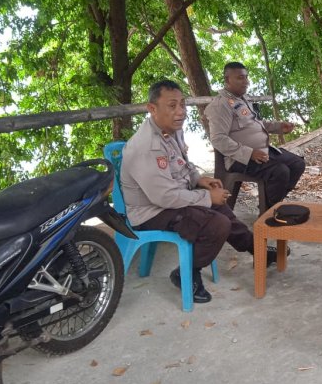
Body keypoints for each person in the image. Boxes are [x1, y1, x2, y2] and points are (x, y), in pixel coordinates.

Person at [121, 80, 281, 305]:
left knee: (221, 207)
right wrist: (205, 197)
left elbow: (182, 164)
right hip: (151, 212)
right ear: (152, 109)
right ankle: (186, 272)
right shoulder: (146, 146)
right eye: (172, 106)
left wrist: (199, 179)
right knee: (216, 223)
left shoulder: (171, 130)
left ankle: (256, 249)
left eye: (183, 105)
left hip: (172, 197)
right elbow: (164, 197)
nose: (181, 112)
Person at [205, 62, 305, 211]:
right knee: (280, 171)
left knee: (297, 163)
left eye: (246, 77)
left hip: (263, 151)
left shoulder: (242, 99)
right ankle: (268, 212)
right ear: (227, 80)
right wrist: (249, 153)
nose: (246, 82)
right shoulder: (220, 105)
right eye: (240, 78)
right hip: (239, 159)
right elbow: (218, 139)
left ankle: (270, 204)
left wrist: (278, 127)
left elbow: (255, 124)